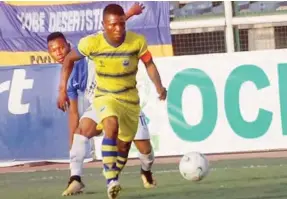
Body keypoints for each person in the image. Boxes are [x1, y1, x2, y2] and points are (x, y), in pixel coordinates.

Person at [48, 3, 158, 197]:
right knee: (81, 132)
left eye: (60, 48)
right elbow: (73, 113)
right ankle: (76, 178)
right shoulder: (70, 78)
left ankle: (146, 170)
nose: (58, 53)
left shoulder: (89, 48)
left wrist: (130, 13)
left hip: (125, 101)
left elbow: (113, 29)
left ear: (68, 46)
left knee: (145, 150)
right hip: (102, 103)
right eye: (52, 50)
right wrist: (73, 147)